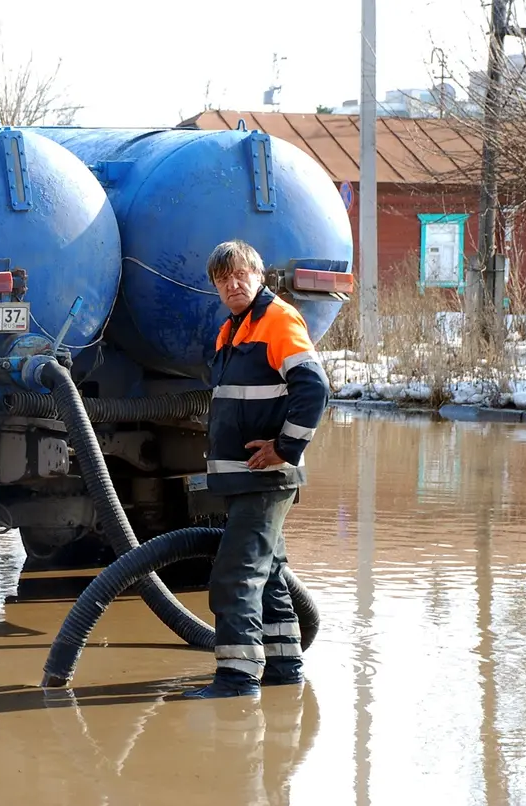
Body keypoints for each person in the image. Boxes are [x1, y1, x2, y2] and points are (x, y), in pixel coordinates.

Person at [184, 240, 330, 700]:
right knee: (267, 575)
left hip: (265, 477)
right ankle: (284, 669)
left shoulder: (277, 320)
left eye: (242, 273)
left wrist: (285, 448)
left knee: (235, 575)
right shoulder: (231, 332)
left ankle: (236, 678)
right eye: (223, 279)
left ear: (259, 274)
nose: (233, 283)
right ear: (215, 286)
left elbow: (314, 387)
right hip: (245, 477)